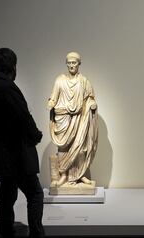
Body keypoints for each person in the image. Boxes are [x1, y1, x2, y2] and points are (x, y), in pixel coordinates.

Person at [0, 48, 61, 238]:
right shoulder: (8, 88)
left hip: (2, 153)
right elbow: (22, 117)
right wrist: (35, 134)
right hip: (17, 153)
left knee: (7, 196)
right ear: (13, 67)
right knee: (35, 194)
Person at [47, 52, 98, 194]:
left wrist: (92, 104)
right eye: (69, 63)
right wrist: (50, 104)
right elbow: (53, 97)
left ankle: (80, 176)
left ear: (79, 64)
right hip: (63, 118)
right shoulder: (59, 81)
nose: (71, 66)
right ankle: (63, 175)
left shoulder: (84, 81)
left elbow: (90, 98)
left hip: (80, 119)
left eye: (74, 63)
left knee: (80, 148)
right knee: (63, 147)